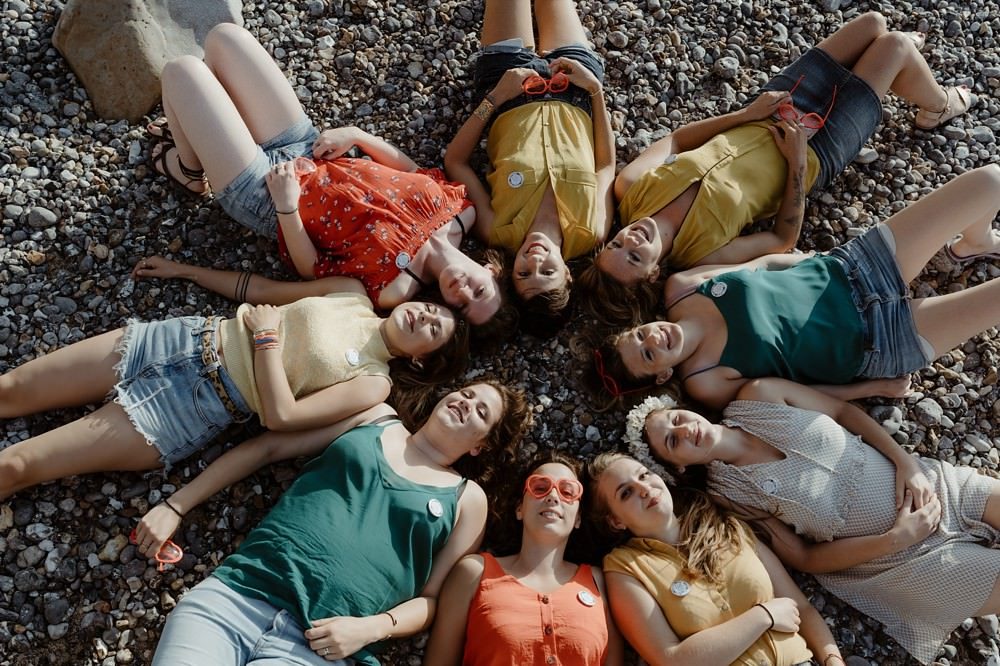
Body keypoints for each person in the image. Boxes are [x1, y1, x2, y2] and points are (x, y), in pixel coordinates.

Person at [578, 12, 977, 326]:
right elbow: (783, 238)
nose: (631, 240)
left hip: (766, 110)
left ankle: (904, 70)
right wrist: (797, 163)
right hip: (820, 145)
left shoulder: (630, 189)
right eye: (634, 257)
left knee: (871, 23)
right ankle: (938, 105)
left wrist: (747, 112)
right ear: (651, 275)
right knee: (893, 45)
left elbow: (679, 140)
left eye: (617, 245)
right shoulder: (701, 255)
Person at [148, 23, 514, 331]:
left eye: (462, 307)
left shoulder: (393, 290)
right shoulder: (463, 211)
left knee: (183, 72)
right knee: (225, 37)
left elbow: (313, 269)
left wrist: (287, 207)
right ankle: (202, 135)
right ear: (490, 271)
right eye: (479, 292)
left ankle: (188, 171)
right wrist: (357, 135)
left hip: (264, 194)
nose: (463, 293)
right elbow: (411, 171)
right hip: (310, 146)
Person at [144, 381, 533, 665]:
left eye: (482, 411)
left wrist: (374, 628)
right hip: (237, 596)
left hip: (321, 649)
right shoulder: (377, 417)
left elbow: (433, 601)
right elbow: (269, 447)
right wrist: (177, 505)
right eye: (466, 393)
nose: (466, 404)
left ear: (480, 445)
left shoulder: (466, 499)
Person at [624, 379, 1000, 665]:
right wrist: (895, 540)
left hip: (937, 488)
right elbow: (804, 558)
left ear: (682, 409)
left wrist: (906, 462)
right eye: (673, 442)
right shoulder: (728, 496)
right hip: (898, 561)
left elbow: (841, 412)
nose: (684, 431)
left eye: (675, 420)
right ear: (678, 466)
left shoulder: (759, 394)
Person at [0, 275, 469, 501]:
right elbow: (260, 290)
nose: (425, 316)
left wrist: (267, 342)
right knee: (10, 390)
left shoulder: (373, 384)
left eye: (433, 330)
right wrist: (184, 270)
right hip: (179, 337)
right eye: (431, 309)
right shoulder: (351, 292)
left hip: (190, 407)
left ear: (420, 357)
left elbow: (280, 417)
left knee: (18, 465)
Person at [583, 164, 1000, 409]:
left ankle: (974, 244)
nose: (654, 338)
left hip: (856, 268)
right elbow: (796, 394)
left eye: (640, 335)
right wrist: (872, 388)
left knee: (990, 182)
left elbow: (760, 263)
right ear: (662, 376)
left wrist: (806, 261)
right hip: (879, 341)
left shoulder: (681, 288)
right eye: (650, 354)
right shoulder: (705, 380)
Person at [444, 0, 616, 336]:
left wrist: (494, 98)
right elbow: (606, 164)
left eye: (524, 274)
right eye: (547, 271)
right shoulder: (592, 230)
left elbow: (455, 161)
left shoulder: (497, 229)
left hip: (508, 85)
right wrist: (595, 91)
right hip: (575, 85)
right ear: (567, 273)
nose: (534, 260)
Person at [586, 453, 845, 666]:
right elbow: (671, 660)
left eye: (644, 475)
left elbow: (802, 607)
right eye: (626, 493)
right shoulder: (625, 569)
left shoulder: (730, 528)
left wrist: (832, 659)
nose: (644, 489)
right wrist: (763, 616)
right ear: (616, 521)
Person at [423, 452, 624, 665]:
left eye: (567, 492)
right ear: (520, 508)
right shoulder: (474, 573)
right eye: (540, 488)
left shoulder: (598, 582)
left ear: (578, 518)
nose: (553, 497)